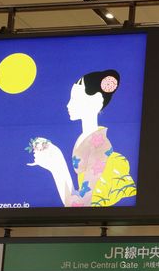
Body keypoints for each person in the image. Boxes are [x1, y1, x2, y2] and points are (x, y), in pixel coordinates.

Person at [27, 69, 136, 207]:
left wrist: (56, 164)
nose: (68, 105)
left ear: (97, 100)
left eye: (75, 99)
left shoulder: (100, 148)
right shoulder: (85, 139)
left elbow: (80, 205)